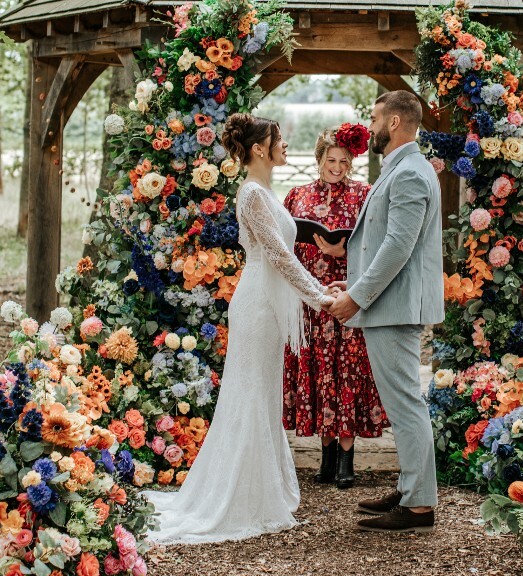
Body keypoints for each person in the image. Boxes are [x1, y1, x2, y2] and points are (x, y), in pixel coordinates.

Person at [147, 113, 337, 545]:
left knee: (263, 394)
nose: (286, 145)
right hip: (256, 305)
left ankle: (261, 488)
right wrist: (318, 296)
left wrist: (320, 283)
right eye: (279, 139)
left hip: (266, 305)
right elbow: (278, 256)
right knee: (249, 394)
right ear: (258, 148)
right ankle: (241, 496)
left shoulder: (265, 192)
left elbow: (287, 247)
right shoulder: (252, 194)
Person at [328, 90, 444, 534]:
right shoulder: (401, 168)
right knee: (402, 403)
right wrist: (353, 283)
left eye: (375, 117)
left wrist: (357, 298)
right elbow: (383, 241)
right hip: (386, 304)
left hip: (393, 309)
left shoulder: (411, 172)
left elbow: (398, 247)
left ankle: (418, 506)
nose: (370, 125)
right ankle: (411, 487)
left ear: (394, 122)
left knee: (406, 404)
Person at [283, 124, 387, 490]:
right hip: (311, 302)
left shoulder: (364, 195)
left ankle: (347, 458)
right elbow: (285, 245)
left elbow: (379, 244)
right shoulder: (297, 195)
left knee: (346, 374)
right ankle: (325, 458)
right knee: (319, 373)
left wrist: (343, 250)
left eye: (344, 160)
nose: (337, 167)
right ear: (319, 159)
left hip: (348, 296)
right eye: (331, 160)